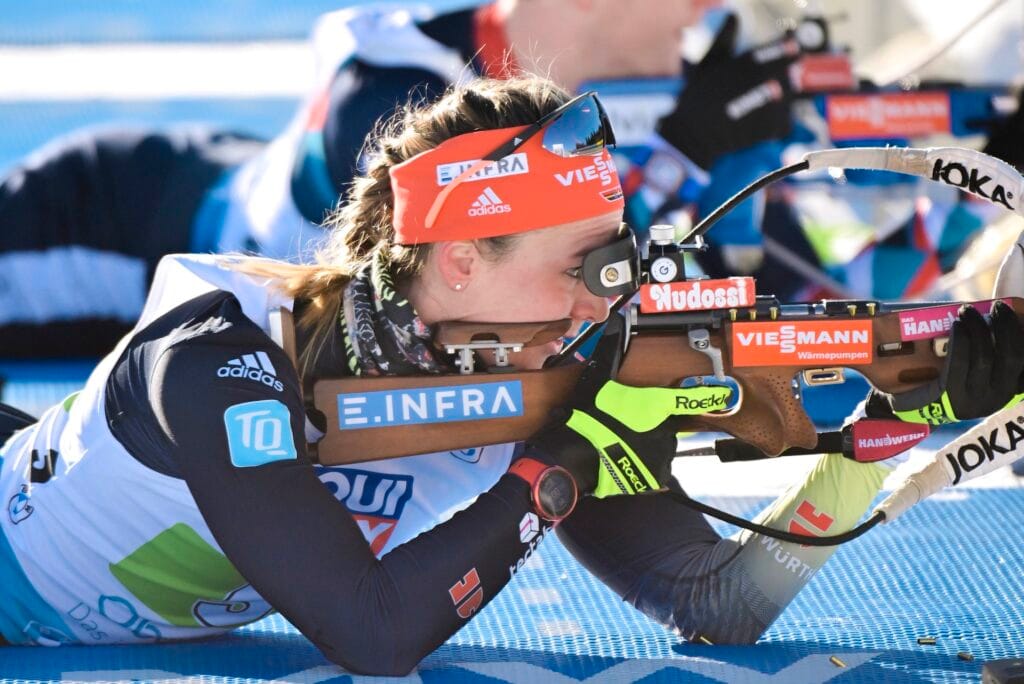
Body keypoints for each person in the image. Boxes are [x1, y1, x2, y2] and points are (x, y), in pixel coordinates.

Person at [2, 77, 1021, 675]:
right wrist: (557, 470)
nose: (606, 299)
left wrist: (886, 433)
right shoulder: (217, 358)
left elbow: (718, 606)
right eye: (586, 267)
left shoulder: (539, 372)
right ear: (458, 260)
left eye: (619, 260)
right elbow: (374, 633)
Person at [0, 0, 798, 358]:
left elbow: (732, 293)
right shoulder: (389, 93)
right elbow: (486, 282)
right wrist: (686, 152)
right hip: (110, 230)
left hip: (211, 171)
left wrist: (741, 168)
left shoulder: (578, 107)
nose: (710, 5)